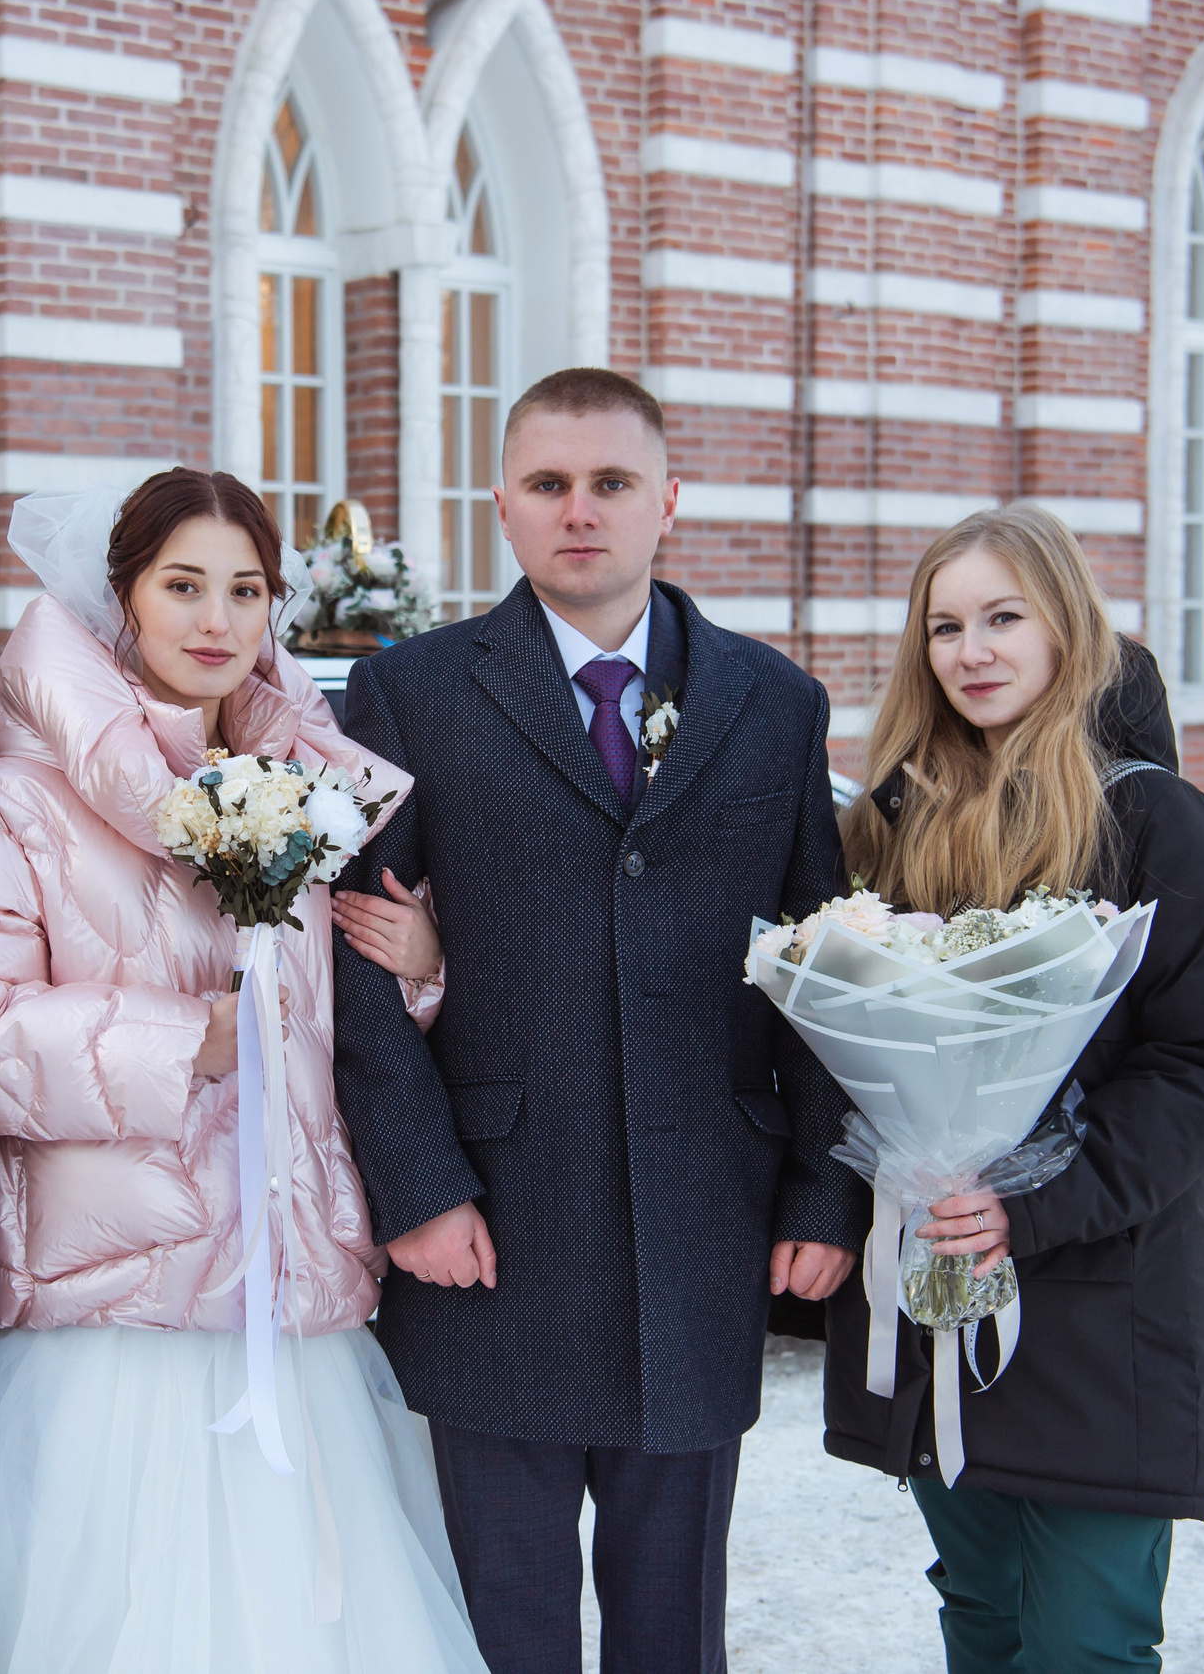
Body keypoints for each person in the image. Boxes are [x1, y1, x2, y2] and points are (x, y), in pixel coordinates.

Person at [0, 468, 487, 1673]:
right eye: (182, 586)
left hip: (287, 1293)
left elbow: (345, 1027)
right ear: (121, 600)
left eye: (245, 588)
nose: (216, 619)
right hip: (116, 1318)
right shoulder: (26, 797)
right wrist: (184, 1043)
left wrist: (421, 966)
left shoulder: (306, 793)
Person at [328, 367, 868, 1674]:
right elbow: (356, 969)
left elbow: (825, 975)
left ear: (667, 501)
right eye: (553, 485)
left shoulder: (772, 704)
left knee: (673, 1629)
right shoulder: (409, 693)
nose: (583, 510)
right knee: (506, 1626)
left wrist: (820, 1195)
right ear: (503, 506)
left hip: (702, 1235)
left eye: (613, 483)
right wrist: (416, 1189)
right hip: (491, 1236)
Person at [821, 503, 1204, 1673]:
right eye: (945, 624)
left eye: (1002, 617)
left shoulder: (1155, 821)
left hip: (1099, 1308)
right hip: (937, 1288)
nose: (970, 649)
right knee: (979, 1611)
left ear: (1066, 625)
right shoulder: (891, 823)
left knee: (1085, 1642)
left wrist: (1033, 1202)